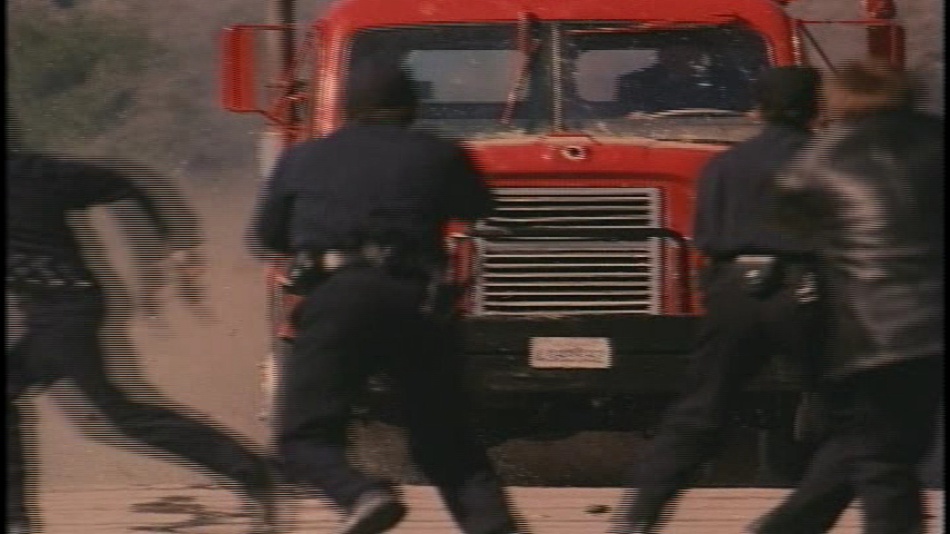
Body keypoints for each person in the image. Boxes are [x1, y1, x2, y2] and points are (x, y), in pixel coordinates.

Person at [248, 58, 524, 534]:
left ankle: (360, 494)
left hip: (339, 299)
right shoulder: (439, 154)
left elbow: (267, 236)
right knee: (447, 444)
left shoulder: (304, 158)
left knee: (302, 439)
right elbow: (478, 207)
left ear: (347, 107)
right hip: (416, 301)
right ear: (412, 107)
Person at [6, 127, 282, 534]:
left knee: (120, 416)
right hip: (54, 312)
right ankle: (15, 519)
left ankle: (249, 470)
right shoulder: (38, 173)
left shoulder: (36, 175)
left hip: (67, 311)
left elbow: (128, 184)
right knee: (103, 412)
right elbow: (130, 185)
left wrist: (170, 248)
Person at [607, 66, 825, 534]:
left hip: (732, 290)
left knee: (699, 410)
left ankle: (638, 515)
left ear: (758, 109)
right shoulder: (827, 160)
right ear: (816, 107)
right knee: (845, 411)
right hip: (804, 289)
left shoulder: (724, 164)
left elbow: (705, 237)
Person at [746, 60, 944, 534]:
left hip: (871, 330)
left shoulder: (818, 159)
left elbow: (789, 230)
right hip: (933, 323)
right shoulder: (937, 139)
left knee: (880, 456)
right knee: (882, 443)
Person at [615, 43, 748, 114]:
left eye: (689, 56)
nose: (683, 62)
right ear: (662, 57)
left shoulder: (730, 79)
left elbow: (747, 108)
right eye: (674, 57)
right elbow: (624, 115)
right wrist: (636, 116)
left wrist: (752, 113)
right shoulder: (636, 82)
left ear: (702, 56)